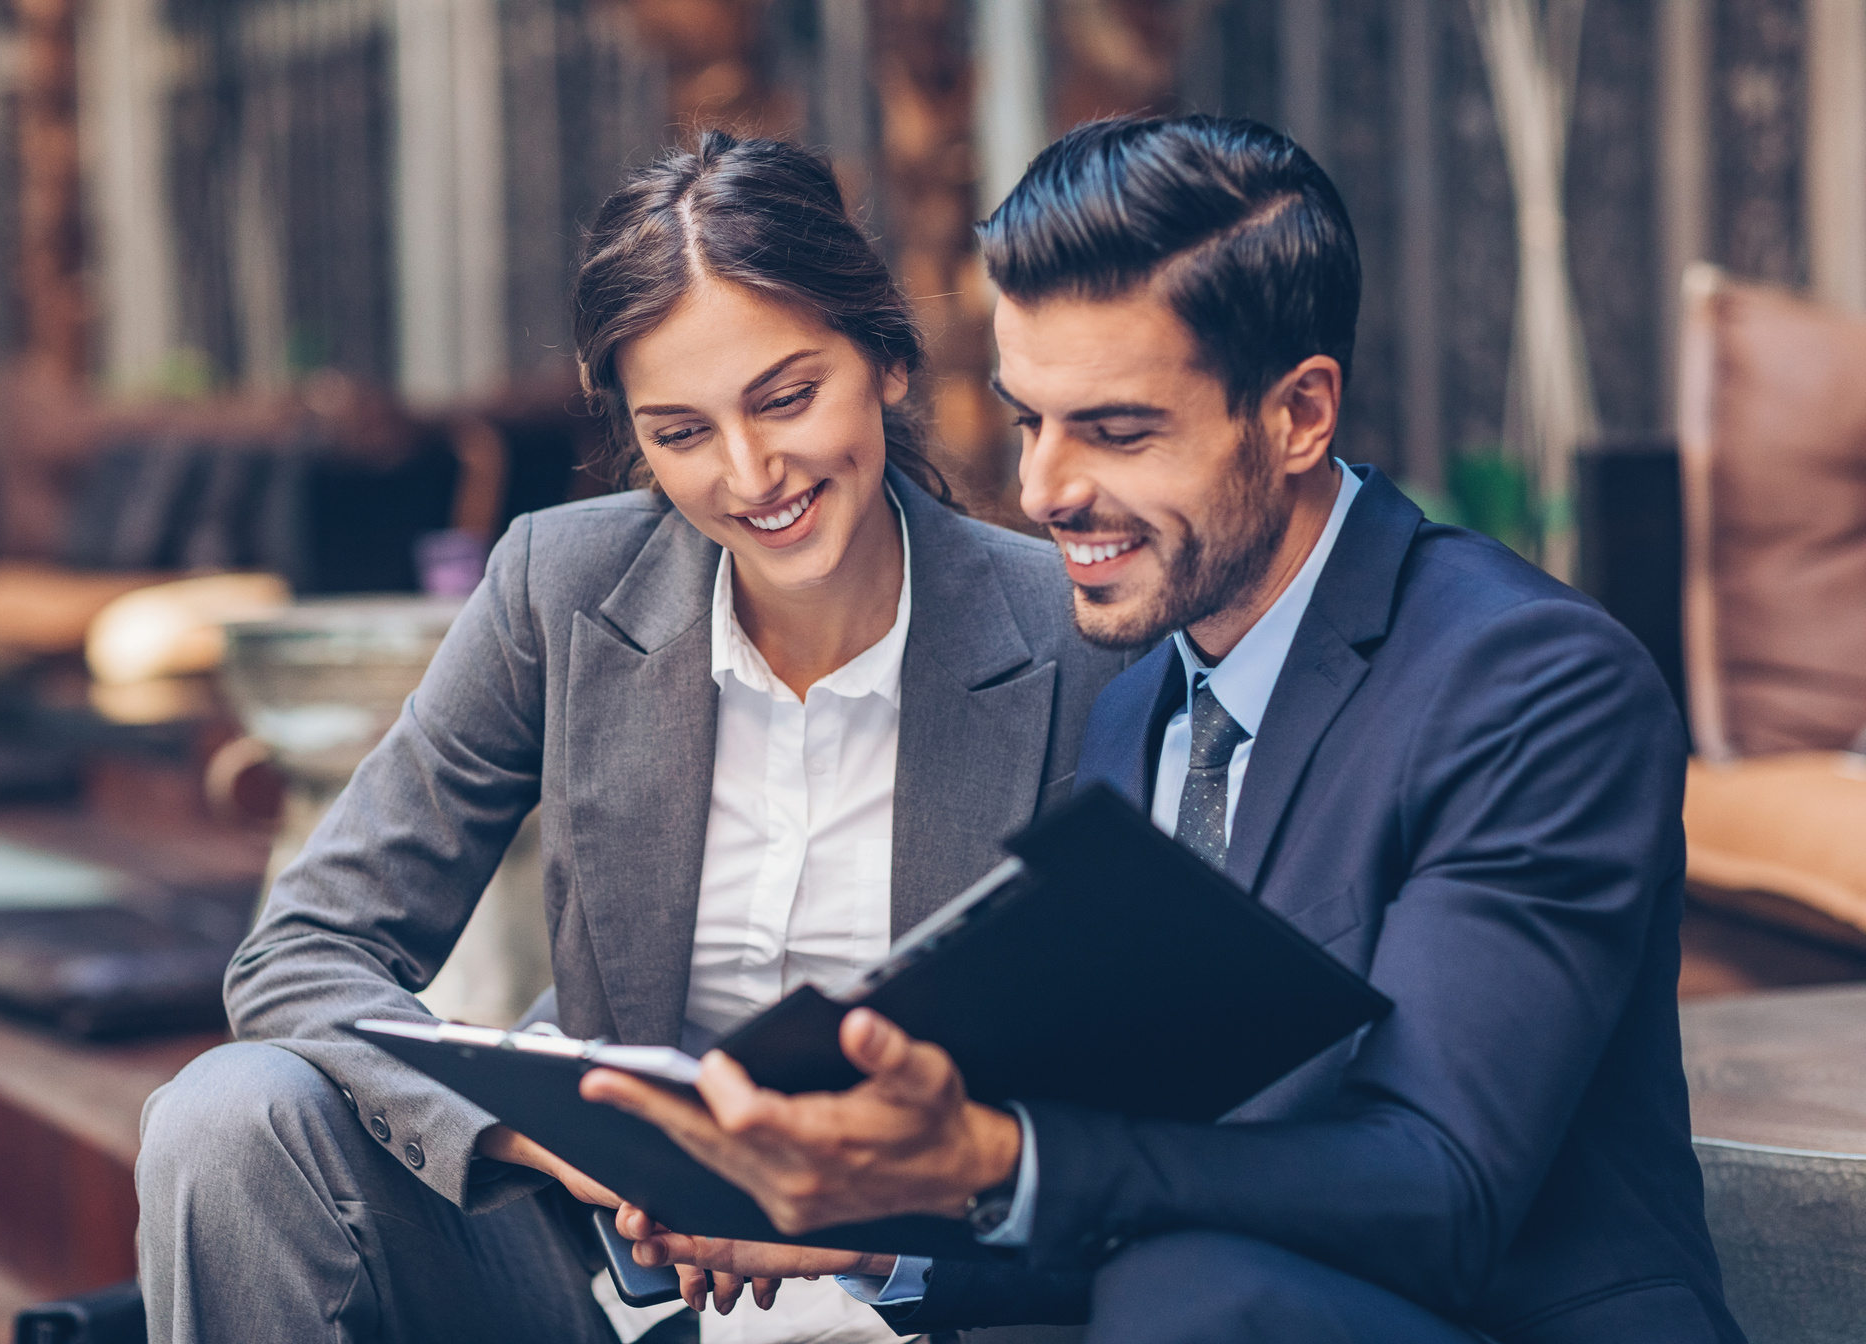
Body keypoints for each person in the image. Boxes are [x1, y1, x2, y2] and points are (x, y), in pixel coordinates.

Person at [586, 115, 1745, 1344]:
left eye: (1118, 431)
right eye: (1030, 420)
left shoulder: (1531, 684)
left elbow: (1438, 1189)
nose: (1044, 492)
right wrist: (868, 1219)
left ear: (1299, 414)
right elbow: (1141, 1189)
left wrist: (993, 1154)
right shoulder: (1141, 705)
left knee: (1183, 1293)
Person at [134, 131, 1128, 1344]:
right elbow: (299, 950)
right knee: (228, 1115)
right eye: (681, 431)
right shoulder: (561, 587)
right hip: (608, 1285)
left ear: (889, 361)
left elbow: (1140, 1095)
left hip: (934, 1293)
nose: (751, 473)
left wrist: (879, 1220)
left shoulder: (1079, 635)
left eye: (787, 396)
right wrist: (545, 1134)